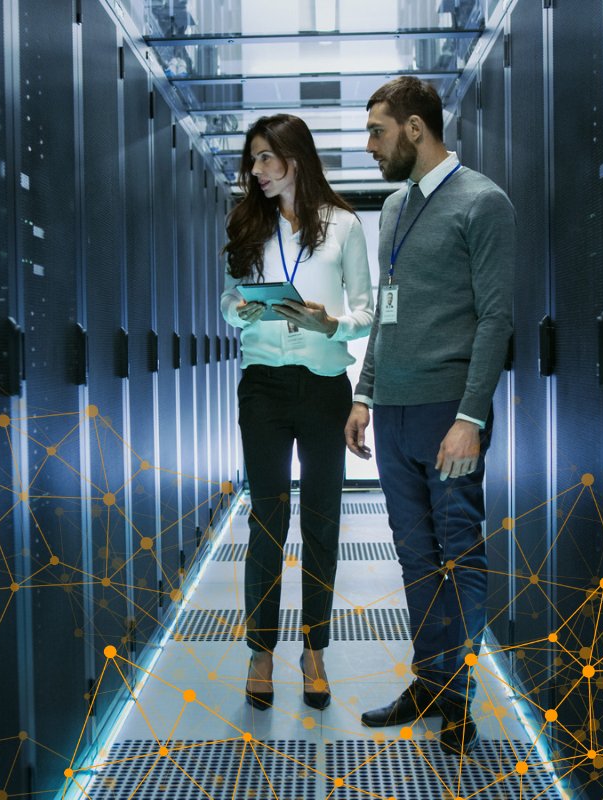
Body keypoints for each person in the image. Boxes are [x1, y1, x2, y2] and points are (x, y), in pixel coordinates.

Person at [345, 77, 515, 755]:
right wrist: (363, 393)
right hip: (394, 411)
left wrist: (471, 415)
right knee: (416, 555)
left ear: (416, 129)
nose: (370, 145)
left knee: (458, 550)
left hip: (450, 411)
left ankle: (460, 699)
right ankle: (429, 679)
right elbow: (388, 309)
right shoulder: (391, 209)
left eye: (378, 131)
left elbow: (495, 318)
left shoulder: (483, 202)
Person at [221, 114, 374, 711]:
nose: (255, 171)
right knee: (266, 518)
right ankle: (261, 650)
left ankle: (314, 649)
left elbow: (366, 311)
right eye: (252, 160)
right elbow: (227, 302)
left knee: (322, 520)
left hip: (322, 386)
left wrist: (329, 321)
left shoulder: (344, 227)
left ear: (294, 157)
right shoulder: (245, 225)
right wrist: (243, 312)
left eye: (265, 158)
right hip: (262, 385)